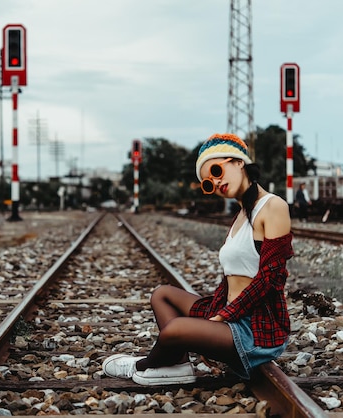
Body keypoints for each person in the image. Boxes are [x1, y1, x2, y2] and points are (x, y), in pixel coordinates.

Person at [102, 133, 293, 385]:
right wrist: (216, 312)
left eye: (216, 171)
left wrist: (223, 316)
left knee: (175, 330)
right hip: (230, 317)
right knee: (162, 295)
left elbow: (271, 277)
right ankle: (179, 365)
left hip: (254, 330)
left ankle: (140, 366)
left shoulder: (273, 206)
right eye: (208, 183)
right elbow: (230, 282)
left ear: (238, 162)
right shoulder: (240, 216)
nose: (216, 183)